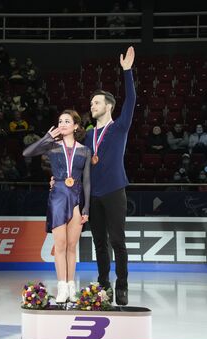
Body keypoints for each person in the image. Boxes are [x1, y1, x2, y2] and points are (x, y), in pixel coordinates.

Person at [85, 46, 136, 306]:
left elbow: (132, 102)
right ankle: (103, 284)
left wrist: (127, 72)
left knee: (117, 240)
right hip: (93, 194)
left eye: (96, 102)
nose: (91, 105)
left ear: (108, 106)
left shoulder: (120, 127)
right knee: (99, 243)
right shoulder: (87, 134)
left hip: (115, 189)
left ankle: (122, 284)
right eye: (91, 102)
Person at [23, 110, 90, 303]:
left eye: (67, 121)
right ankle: (61, 286)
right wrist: (47, 137)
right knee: (60, 246)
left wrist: (87, 209)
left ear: (76, 126)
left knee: (71, 246)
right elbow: (27, 152)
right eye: (60, 121)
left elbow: (87, 182)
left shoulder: (85, 150)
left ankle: (71, 286)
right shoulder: (52, 146)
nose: (63, 124)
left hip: (76, 200)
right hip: (58, 199)